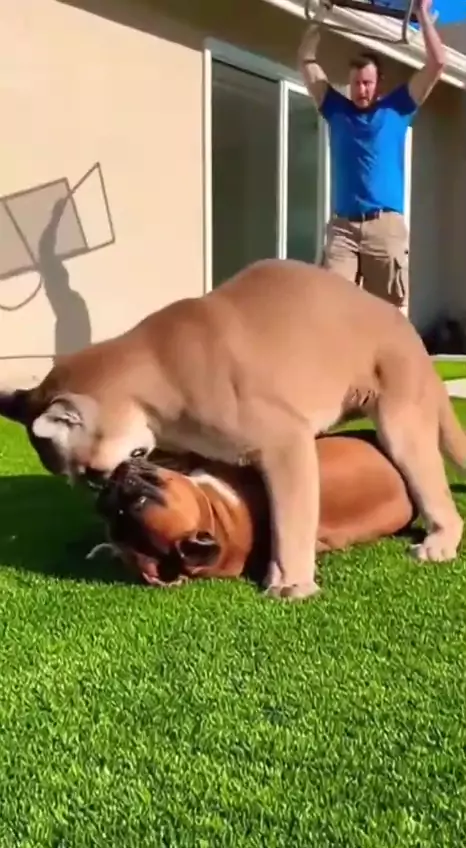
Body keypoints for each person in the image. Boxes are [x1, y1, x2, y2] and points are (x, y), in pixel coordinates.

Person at [298, 0, 445, 309]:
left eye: (367, 83)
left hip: (384, 229)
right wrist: (321, 17)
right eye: (356, 83)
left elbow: (437, 63)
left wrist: (422, 16)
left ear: (378, 85)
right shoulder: (336, 109)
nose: (361, 89)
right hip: (343, 230)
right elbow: (305, 59)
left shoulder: (398, 107)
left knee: (385, 316)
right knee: (331, 305)